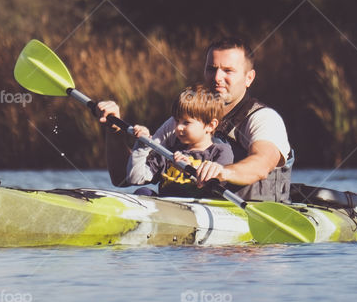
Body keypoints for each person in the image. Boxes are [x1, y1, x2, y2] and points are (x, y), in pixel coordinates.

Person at [98, 37, 293, 202]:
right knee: (143, 193)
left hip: (247, 217)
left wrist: (222, 172)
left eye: (228, 71)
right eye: (211, 69)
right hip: (189, 212)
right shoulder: (182, 122)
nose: (217, 77)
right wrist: (114, 131)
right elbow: (123, 178)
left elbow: (262, 164)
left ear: (249, 78)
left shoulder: (264, 119)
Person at [125, 84, 233, 198]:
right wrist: (142, 146)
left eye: (186, 122)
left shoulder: (220, 152)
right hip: (166, 208)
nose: (178, 127)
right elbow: (135, 178)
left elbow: (217, 185)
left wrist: (189, 170)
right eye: (177, 121)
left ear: (210, 125)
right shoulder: (169, 152)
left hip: (197, 207)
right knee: (143, 192)